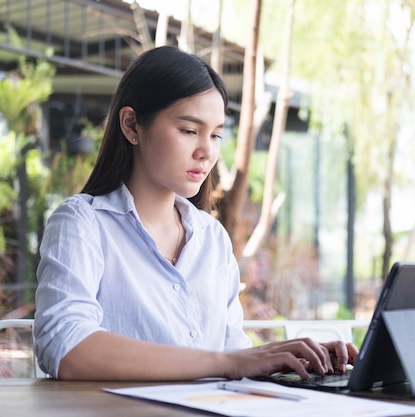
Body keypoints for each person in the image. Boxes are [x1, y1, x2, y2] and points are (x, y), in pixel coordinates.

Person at [33, 45, 358, 381]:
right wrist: (228, 363)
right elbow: (66, 346)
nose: (207, 151)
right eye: (189, 131)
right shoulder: (82, 223)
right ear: (131, 125)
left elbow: (232, 357)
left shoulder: (212, 238)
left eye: (216, 134)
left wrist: (292, 361)